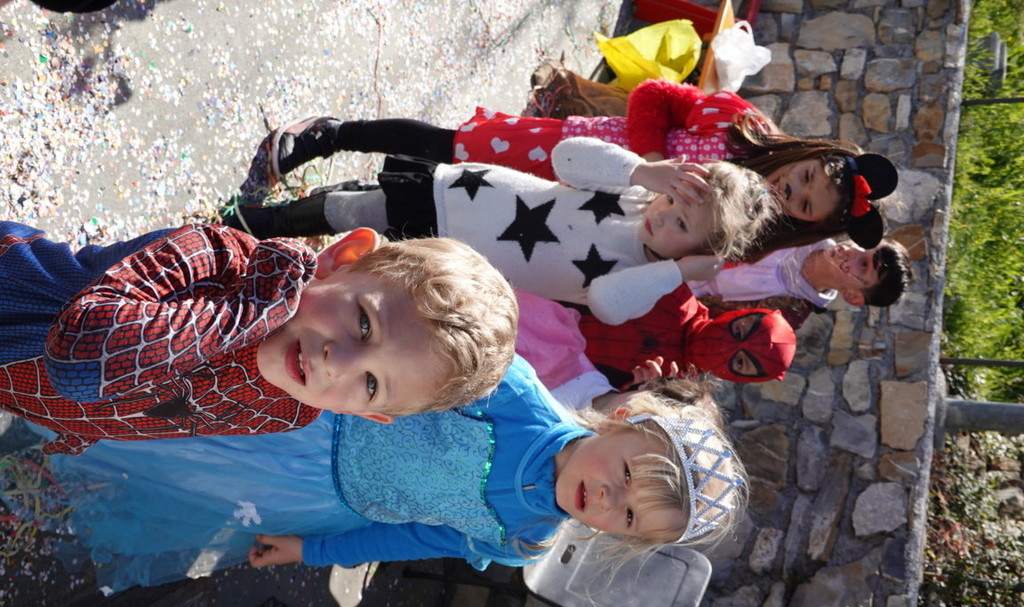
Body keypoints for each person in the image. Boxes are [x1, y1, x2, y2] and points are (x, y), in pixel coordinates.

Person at [28, 356, 745, 592]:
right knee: (185, 407)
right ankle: (61, 377)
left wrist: (310, 548)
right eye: (625, 473)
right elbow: (403, 354)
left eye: (627, 517)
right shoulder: (511, 393)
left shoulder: (523, 537)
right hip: (310, 419)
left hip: (313, 498)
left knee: (183, 467)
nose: (608, 499)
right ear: (622, 420)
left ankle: (63, 431)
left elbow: (410, 534)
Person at [0, 221, 518, 456]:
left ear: (369, 414)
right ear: (344, 259)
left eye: (371, 385)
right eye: (364, 324)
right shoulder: (216, 259)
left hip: (25, 392)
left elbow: (169, 413)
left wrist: (82, 425)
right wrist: (255, 310)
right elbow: (79, 363)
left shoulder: (289, 410)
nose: (337, 363)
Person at [245, 80, 898, 258]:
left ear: (803, 223)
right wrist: (648, 163)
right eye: (806, 175)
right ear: (808, 151)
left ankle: (329, 205)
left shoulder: (746, 237)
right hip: (566, 152)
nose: (792, 189)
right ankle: (331, 137)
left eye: (804, 204)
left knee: (431, 201)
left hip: (562, 218)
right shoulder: (740, 124)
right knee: (450, 146)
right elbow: (653, 95)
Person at [225, 137, 776, 326]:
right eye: (672, 199)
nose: (662, 214)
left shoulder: (641, 275)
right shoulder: (635, 190)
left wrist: (676, 273)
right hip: (466, 197)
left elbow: (607, 304)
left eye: (681, 225)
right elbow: (566, 157)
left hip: (451, 256)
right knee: (357, 208)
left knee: (367, 259)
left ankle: (274, 267)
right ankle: (260, 224)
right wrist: (643, 172)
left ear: (700, 250)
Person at [514, 288, 796, 407]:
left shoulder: (674, 395)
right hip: (524, 309)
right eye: (740, 330)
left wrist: (635, 395)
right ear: (740, 314)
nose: (726, 347)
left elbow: (594, 411)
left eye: (740, 361)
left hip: (525, 377)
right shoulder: (673, 293)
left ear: (737, 377)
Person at [689, 237, 913, 314]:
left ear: (853, 296)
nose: (852, 250)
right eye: (863, 245)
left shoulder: (786, 315)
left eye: (863, 265)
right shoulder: (802, 226)